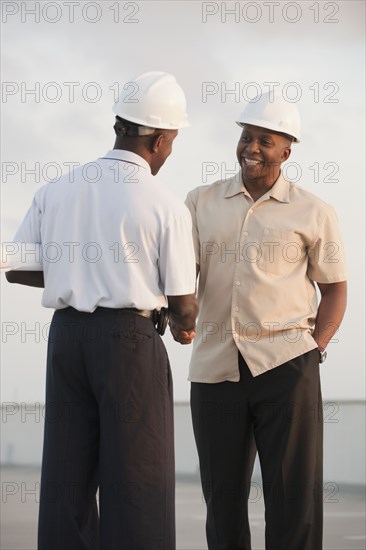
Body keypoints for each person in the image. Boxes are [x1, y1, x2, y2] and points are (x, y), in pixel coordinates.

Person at [4, 71, 198, 550]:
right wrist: (183, 327)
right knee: (138, 482)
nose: (169, 152)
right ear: (157, 139)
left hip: (67, 338)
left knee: (66, 478)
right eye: (171, 142)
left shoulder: (58, 189)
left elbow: (15, 267)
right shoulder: (164, 204)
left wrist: (77, 273)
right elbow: (183, 302)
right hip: (129, 343)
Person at [180, 92, 347, 550]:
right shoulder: (200, 201)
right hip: (215, 368)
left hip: (288, 364)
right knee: (223, 499)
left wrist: (317, 346)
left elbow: (335, 289)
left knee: (294, 499)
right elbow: (183, 277)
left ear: (287, 151)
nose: (251, 148)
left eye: (265, 141)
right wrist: (178, 315)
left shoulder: (314, 211)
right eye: (246, 137)